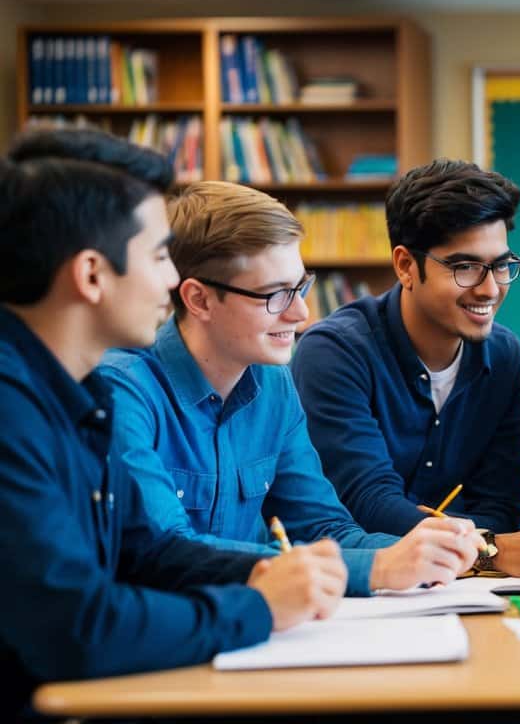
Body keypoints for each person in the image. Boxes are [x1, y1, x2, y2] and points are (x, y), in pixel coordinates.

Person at [0, 129, 344, 718]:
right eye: (159, 257)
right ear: (91, 274)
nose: (171, 283)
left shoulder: (75, 392)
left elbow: (143, 548)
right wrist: (258, 606)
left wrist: (263, 569)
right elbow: (79, 627)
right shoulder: (13, 411)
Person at [99, 181, 483, 597]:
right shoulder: (122, 390)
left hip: (254, 635)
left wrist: (421, 552)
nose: (301, 313)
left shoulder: (273, 384)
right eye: (276, 294)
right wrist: (378, 567)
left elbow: (324, 529)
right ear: (199, 299)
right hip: (163, 645)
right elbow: (166, 549)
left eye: (301, 287)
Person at [292, 159, 520, 577]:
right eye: (464, 267)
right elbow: (368, 503)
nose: (490, 287)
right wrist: (488, 551)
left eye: (501, 265)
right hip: (361, 589)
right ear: (406, 265)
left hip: (465, 590)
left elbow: (497, 503)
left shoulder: (503, 357)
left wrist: (485, 550)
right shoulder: (334, 353)